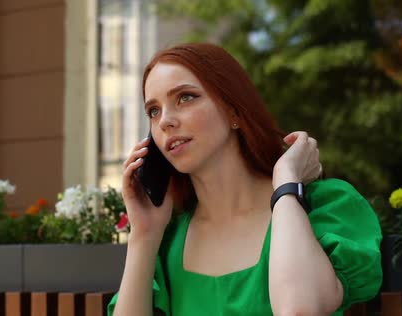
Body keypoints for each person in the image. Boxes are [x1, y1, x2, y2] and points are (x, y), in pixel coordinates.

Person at [108, 43, 382, 316]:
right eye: (153, 111)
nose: (165, 121)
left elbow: (299, 309)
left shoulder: (323, 208)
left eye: (185, 97)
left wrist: (286, 182)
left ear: (234, 111)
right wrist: (144, 235)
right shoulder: (165, 239)